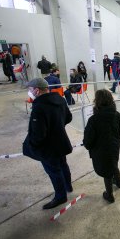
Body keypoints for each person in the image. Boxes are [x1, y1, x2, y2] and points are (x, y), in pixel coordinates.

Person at [22, 78, 73, 209]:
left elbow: (38, 134)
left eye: (30, 89)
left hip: (48, 148)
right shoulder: (60, 99)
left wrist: (31, 145)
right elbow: (69, 117)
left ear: (37, 90)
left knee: (54, 171)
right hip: (61, 142)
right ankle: (68, 186)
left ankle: (61, 197)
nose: (29, 92)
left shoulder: (39, 107)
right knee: (63, 164)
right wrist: (58, 126)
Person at [83, 89, 120, 203]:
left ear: (97, 101)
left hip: (100, 151)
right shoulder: (117, 115)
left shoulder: (93, 119)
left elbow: (88, 141)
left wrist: (88, 146)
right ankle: (119, 183)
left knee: (107, 172)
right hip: (114, 147)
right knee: (114, 165)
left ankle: (109, 195)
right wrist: (117, 144)